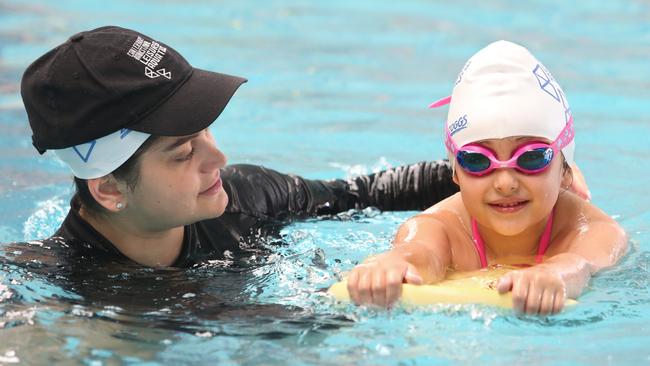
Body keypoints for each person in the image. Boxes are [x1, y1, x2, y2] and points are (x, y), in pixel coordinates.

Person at [4, 25, 460, 270]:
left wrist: (491, 170)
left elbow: (366, 195)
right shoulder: (54, 290)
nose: (217, 158)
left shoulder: (247, 197)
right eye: (183, 152)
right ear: (108, 188)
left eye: (206, 130)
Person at [345, 40, 628, 315]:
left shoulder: (595, 230)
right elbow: (418, 253)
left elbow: (581, 264)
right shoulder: (438, 227)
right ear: (455, 172)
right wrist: (390, 265)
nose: (505, 182)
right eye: (477, 160)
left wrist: (556, 273)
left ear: (566, 170)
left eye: (531, 157)